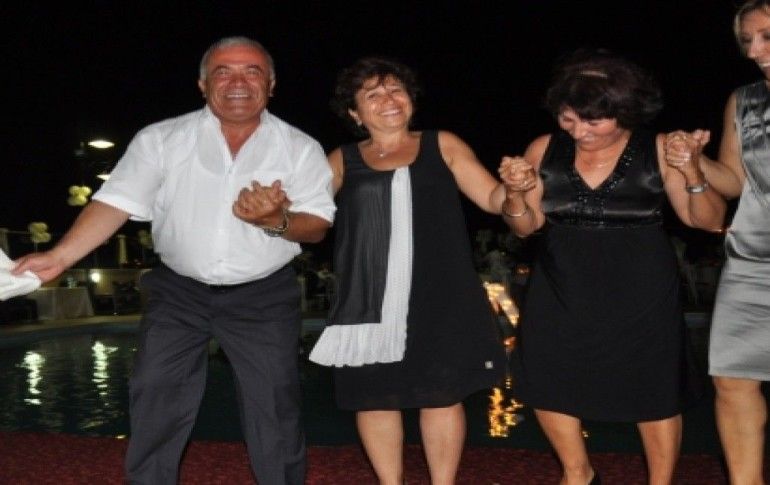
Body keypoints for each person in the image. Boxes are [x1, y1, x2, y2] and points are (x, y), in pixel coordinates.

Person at [13, 36, 335, 484]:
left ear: (271, 84)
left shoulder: (301, 148)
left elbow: (317, 225)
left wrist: (276, 220)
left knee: (275, 404)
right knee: (156, 395)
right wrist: (58, 256)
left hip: (263, 294)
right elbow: (116, 202)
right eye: (223, 71)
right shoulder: (161, 139)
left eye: (252, 71)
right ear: (203, 84)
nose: (237, 81)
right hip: (178, 291)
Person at [499, 49, 725, 485]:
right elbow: (525, 227)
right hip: (561, 281)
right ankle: (578, 473)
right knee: (545, 371)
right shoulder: (544, 148)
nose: (579, 132)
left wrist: (692, 170)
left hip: (642, 285)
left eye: (592, 121)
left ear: (624, 110)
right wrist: (513, 193)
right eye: (568, 119)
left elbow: (709, 221)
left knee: (654, 383)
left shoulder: (659, 147)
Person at [308, 57, 507, 485]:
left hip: (442, 292)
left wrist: (517, 188)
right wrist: (275, 213)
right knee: (373, 396)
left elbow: (493, 199)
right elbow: (309, 215)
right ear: (355, 113)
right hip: (368, 296)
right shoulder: (341, 160)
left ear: (411, 98)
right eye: (373, 94)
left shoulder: (443, 144)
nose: (389, 99)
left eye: (395, 89)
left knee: (442, 395)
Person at [667, 2, 770, 482]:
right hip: (753, 257)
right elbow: (732, 181)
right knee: (732, 379)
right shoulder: (743, 100)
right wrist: (695, 160)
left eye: (766, 36)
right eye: (747, 41)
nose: (754, 51)